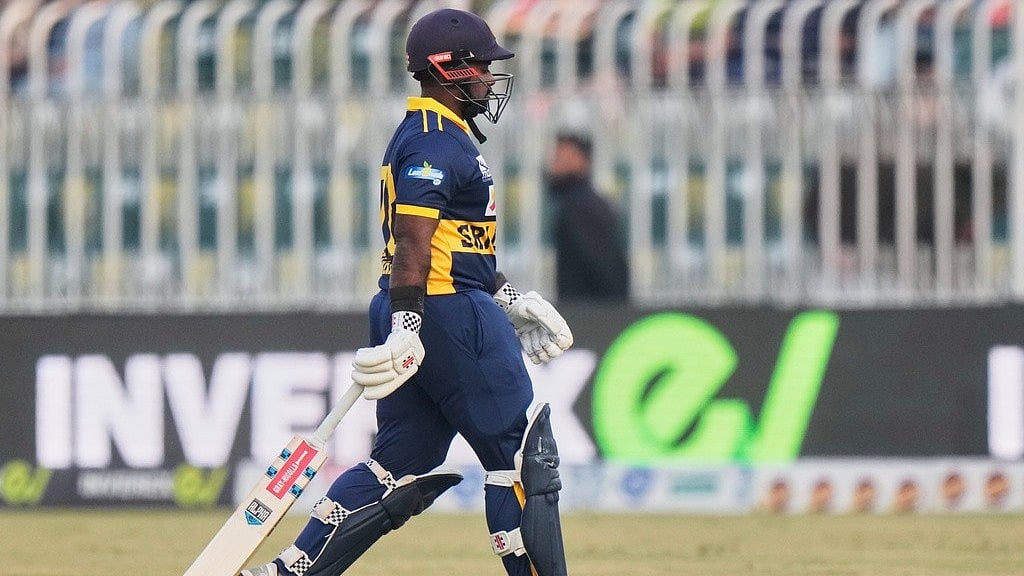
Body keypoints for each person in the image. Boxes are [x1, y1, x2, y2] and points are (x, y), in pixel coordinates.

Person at [241, 8, 574, 576]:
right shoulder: (435, 142)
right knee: (520, 461)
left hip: (432, 302)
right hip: (442, 313)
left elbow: (452, 245)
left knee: (398, 463)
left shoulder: (433, 136)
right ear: (448, 69)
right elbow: (414, 242)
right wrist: (410, 325)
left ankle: (291, 571)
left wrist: (506, 296)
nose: (490, 80)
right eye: (482, 68)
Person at [545, 132, 629, 302]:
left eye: (561, 158)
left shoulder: (582, 208)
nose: (554, 165)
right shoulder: (579, 204)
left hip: (588, 316)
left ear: (581, 160)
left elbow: (606, 271)